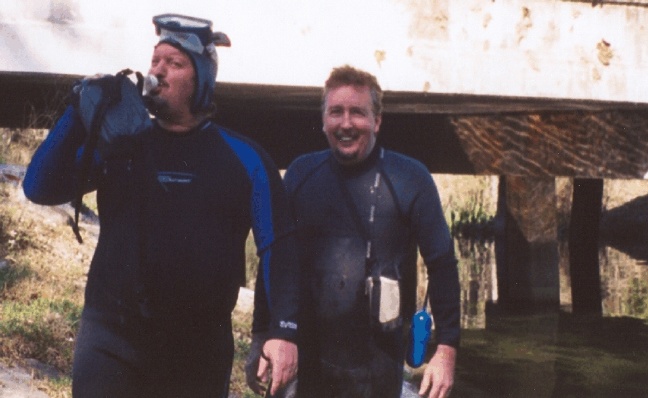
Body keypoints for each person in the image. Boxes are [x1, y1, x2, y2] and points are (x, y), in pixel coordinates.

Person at [22, 14, 299, 397]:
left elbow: (278, 249)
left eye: (175, 63)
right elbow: (39, 187)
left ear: (202, 81)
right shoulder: (121, 146)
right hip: (110, 340)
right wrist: (77, 107)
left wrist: (280, 332)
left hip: (196, 350)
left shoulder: (245, 158)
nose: (159, 71)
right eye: (156, 61)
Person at [249, 65, 461, 398]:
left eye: (357, 113)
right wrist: (262, 335)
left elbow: (443, 263)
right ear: (323, 120)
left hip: (378, 364)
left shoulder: (410, 178)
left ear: (377, 121)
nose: (346, 123)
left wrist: (446, 349)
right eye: (336, 112)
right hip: (308, 359)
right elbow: (274, 259)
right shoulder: (301, 173)